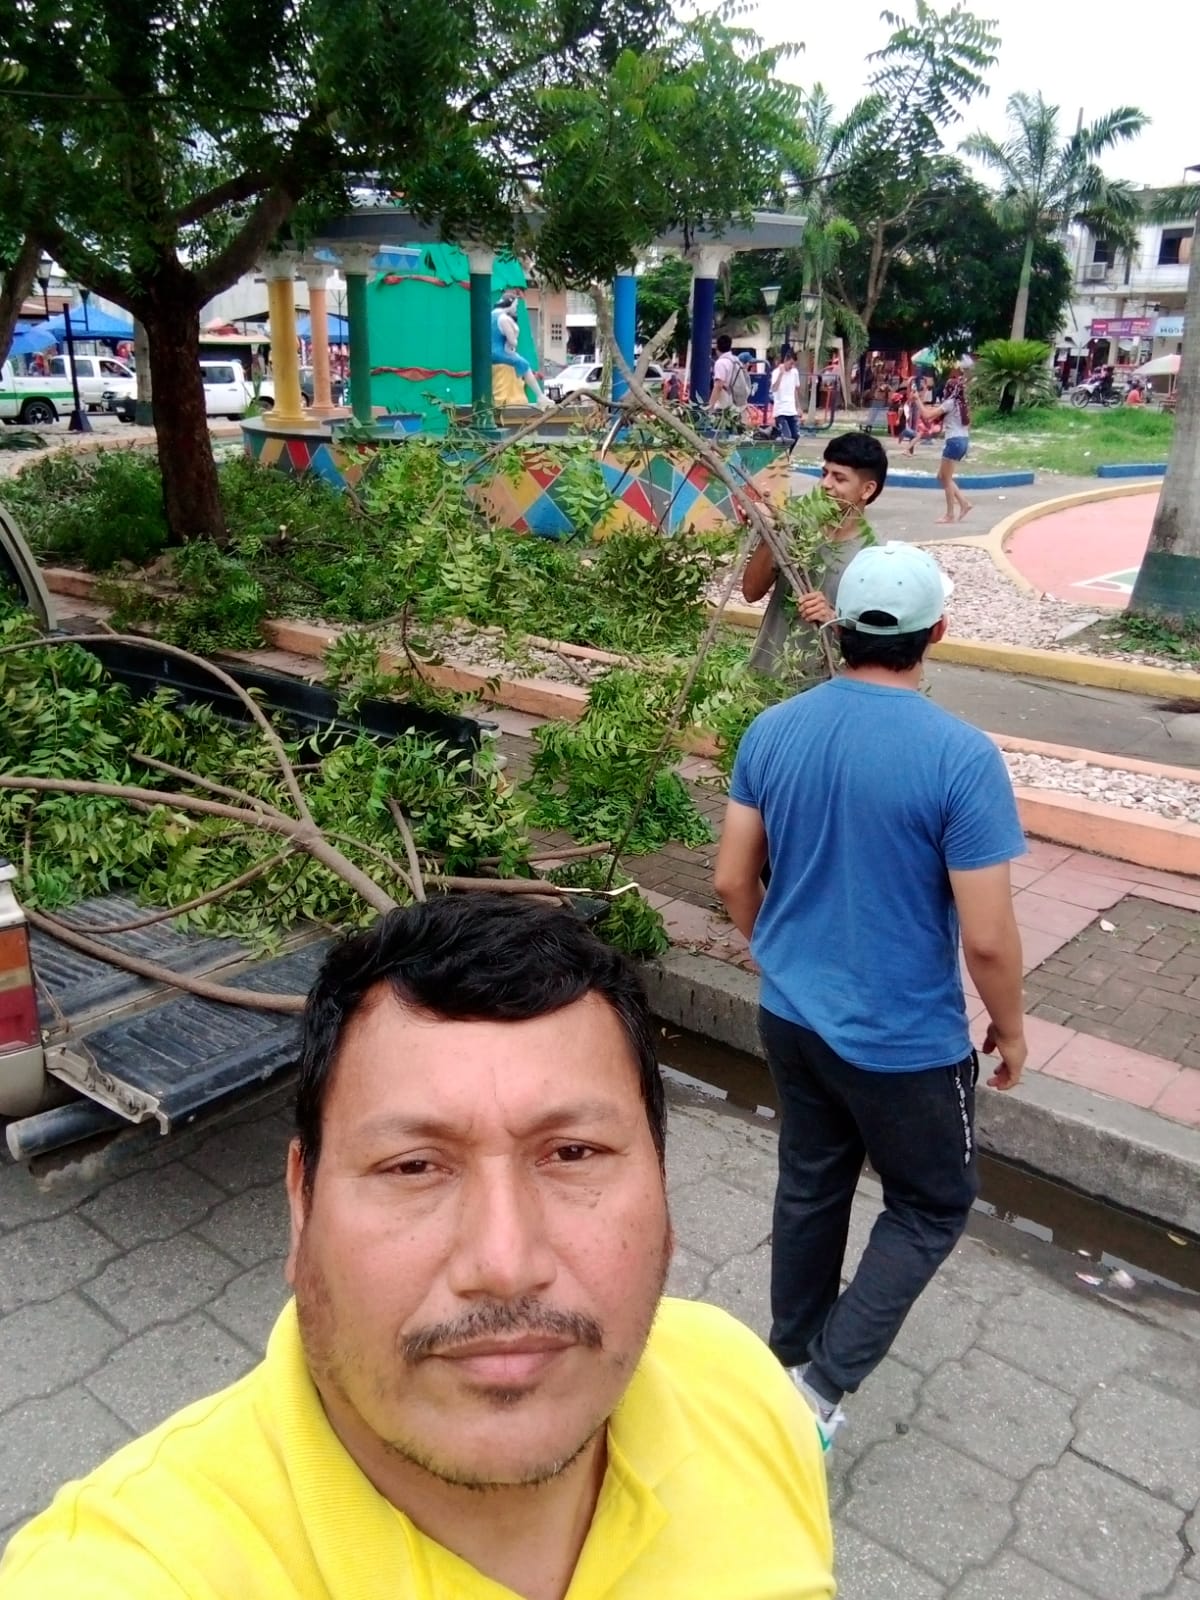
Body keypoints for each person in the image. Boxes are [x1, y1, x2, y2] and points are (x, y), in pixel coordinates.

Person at [0, 896, 834, 1600]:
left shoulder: (741, 1389)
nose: (504, 1264)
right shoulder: (135, 1568)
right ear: (301, 1202)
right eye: (413, 1166)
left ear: (663, 1187)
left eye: (573, 1153)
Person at [714, 542, 1027, 1451]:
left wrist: (778, 952)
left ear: (841, 626)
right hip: (903, 1042)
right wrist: (1010, 1030)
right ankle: (818, 1388)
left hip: (791, 1016)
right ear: (939, 632)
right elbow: (987, 937)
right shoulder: (961, 758)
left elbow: (732, 878)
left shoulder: (774, 729)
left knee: (813, 1181)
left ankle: (786, 1358)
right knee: (931, 1204)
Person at [742, 431, 888, 681]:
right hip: (763, 682)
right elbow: (750, 591)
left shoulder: (874, 557)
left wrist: (832, 618)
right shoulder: (796, 523)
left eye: (839, 478)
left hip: (821, 687)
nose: (825, 484)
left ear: (867, 489)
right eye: (824, 473)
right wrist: (770, 534)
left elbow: (876, 643)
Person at [918, 367, 972, 524]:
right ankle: (964, 503)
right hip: (963, 440)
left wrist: (917, 400)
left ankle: (950, 514)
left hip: (953, 441)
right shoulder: (962, 405)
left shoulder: (950, 403)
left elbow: (927, 415)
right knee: (941, 476)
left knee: (946, 479)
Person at [491, 291, 551, 409]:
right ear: (510, 304)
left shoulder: (491, 314)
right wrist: (515, 336)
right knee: (524, 364)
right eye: (516, 305)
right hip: (499, 354)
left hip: (489, 352)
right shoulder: (504, 318)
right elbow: (512, 342)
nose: (516, 308)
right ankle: (540, 396)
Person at [770, 346, 803, 455]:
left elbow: (795, 390)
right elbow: (774, 389)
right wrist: (781, 374)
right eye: (790, 363)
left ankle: (787, 455)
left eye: (793, 364)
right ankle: (779, 454)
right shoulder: (776, 372)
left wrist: (798, 407)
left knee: (795, 435)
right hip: (780, 410)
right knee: (786, 435)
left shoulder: (794, 372)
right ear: (785, 360)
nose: (791, 366)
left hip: (791, 409)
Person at [708, 333, 744, 415]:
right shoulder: (737, 361)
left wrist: (710, 406)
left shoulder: (721, 363)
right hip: (738, 405)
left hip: (724, 407)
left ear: (717, 347)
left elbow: (718, 386)